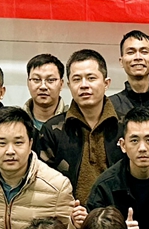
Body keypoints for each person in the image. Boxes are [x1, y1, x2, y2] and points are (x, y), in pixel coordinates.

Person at [37, 48, 123, 204]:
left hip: (118, 216)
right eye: (77, 79)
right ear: (69, 85)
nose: (84, 85)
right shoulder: (52, 130)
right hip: (67, 214)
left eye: (91, 78)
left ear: (106, 83)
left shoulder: (125, 126)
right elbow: (43, 185)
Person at [23, 53, 68, 131]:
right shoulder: (17, 121)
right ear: (28, 83)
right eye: (36, 79)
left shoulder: (72, 121)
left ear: (61, 84)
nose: (43, 86)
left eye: (50, 80)